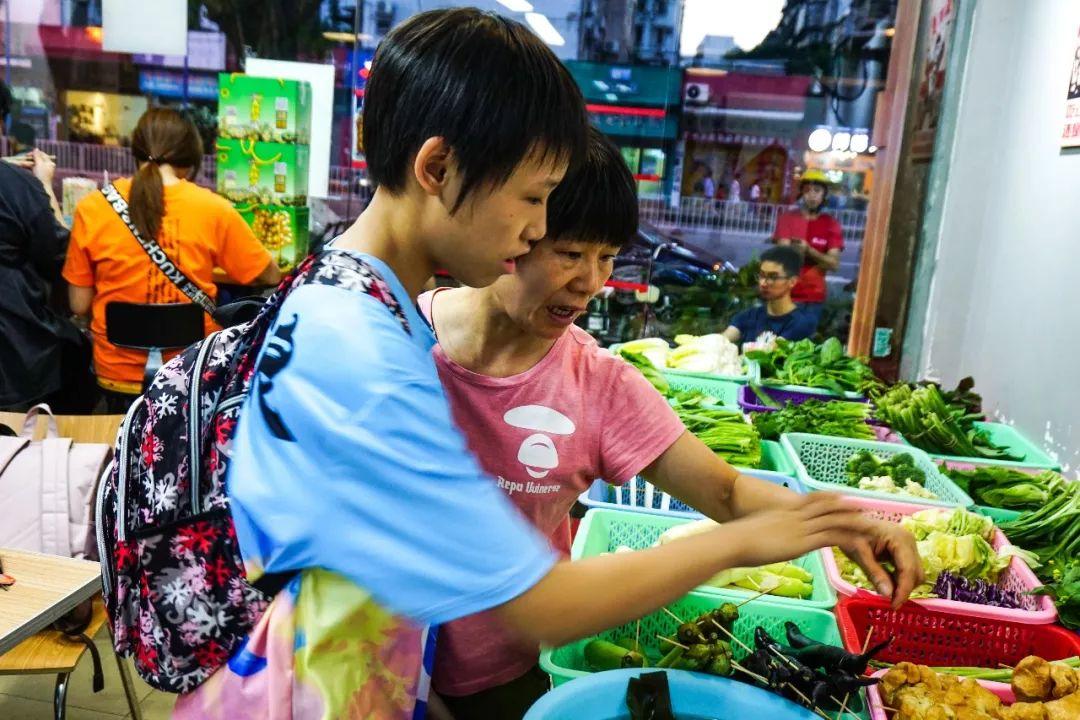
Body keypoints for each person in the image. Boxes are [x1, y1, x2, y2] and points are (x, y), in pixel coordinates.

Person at [171, 10, 919, 720]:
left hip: (334, 674)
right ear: (439, 167)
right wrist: (741, 543)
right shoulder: (372, 356)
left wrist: (834, 522)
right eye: (535, 201)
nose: (534, 232)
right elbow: (541, 604)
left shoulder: (337, 292)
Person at [420, 128, 921, 718]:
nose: (590, 283)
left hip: (500, 672)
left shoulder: (599, 384)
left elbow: (726, 489)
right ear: (513, 232)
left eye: (606, 257)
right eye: (570, 252)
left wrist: (849, 523)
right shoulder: (401, 340)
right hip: (374, 658)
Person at [63, 107, 281, 411]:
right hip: (191, 376)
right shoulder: (212, 209)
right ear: (190, 157)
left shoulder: (92, 208)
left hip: (115, 379)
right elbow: (269, 276)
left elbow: (78, 304)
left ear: (136, 149)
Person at [0, 141, 96, 412]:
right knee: (78, 352)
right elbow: (57, 257)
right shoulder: (15, 185)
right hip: (16, 351)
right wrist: (42, 184)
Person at [772, 169, 844, 326]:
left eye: (817, 191)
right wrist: (818, 257)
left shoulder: (831, 224)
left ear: (824, 195)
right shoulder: (787, 219)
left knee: (804, 347)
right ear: (801, 193)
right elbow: (783, 256)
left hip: (813, 298)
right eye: (807, 190)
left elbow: (834, 264)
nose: (812, 195)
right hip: (785, 295)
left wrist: (808, 250)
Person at [723, 245, 818, 346]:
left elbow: (769, 353)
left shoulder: (801, 322)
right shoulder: (750, 315)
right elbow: (722, 340)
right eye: (762, 275)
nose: (763, 283)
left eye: (773, 277)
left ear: (792, 282)